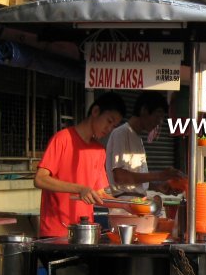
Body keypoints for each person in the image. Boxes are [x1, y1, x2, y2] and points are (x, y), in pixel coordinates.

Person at [34, 92, 126, 238]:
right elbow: (40, 179)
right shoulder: (63, 139)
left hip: (86, 232)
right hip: (56, 232)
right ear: (95, 111)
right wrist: (80, 189)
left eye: (113, 126)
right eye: (109, 121)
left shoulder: (99, 150)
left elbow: (100, 194)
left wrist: (130, 204)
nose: (109, 129)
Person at [105, 91, 184, 197]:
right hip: (124, 203)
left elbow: (135, 179)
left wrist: (157, 186)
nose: (160, 122)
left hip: (137, 201)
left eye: (162, 118)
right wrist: (159, 175)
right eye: (158, 116)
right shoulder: (121, 133)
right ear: (144, 110)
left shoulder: (137, 138)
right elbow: (120, 177)